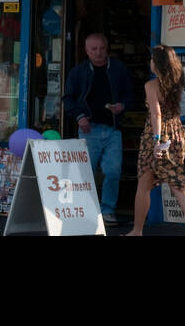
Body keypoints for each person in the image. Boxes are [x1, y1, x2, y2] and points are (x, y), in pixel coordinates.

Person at [127, 45, 185, 236]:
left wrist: (157, 140)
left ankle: (137, 230)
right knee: (179, 184)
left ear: (158, 63)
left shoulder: (151, 86)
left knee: (143, 184)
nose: (150, 62)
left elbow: (156, 114)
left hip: (156, 136)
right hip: (177, 135)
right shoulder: (178, 81)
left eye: (152, 59)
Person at [63, 33, 134, 225]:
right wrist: (79, 117)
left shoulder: (118, 69)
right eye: (93, 49)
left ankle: (107, 210)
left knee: (113, 171)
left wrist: (122, 105)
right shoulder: (78, 72)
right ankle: (84, 209)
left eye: (102, 48)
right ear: (86, 51)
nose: (98, 52)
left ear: (107, 48)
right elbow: (68, 98)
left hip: (112, 129)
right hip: (89, 129)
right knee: (85, 172)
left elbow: (130, 94)